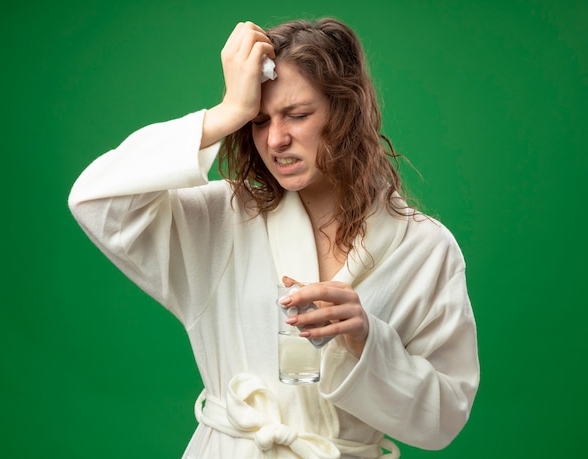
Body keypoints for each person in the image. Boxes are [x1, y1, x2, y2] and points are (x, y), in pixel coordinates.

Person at [68, 18, 479, 459]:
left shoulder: (425, 248)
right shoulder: (224, 220)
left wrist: (366, 341)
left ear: (344, 111)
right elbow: (96, 201)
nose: (276, 139)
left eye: (298, 115)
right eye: (259, 121)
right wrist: (227, 113)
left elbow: (444, 418)